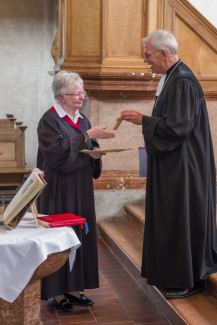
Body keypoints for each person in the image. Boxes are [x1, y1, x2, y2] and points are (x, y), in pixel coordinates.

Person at [121, 29, 217, 299]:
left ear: (163, 54)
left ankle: (189, 279)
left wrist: (144, 121)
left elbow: (179, 128)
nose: (145, 60)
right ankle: (171, 274)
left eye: (148, 55)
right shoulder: (171, 77)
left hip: (184, 168)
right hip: (174, 163)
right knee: (172, 220)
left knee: (181, 220)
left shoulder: (183, 81)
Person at [37, 70, 115, 311]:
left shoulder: (82, 120)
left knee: (80, 234)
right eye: (77, 94)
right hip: (59, 189)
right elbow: (57, 154)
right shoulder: (49, 120)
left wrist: (95, 153)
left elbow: (87, 145)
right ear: (62, 97)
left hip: (81, 186)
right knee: (60, 238)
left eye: (83, 93)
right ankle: (57, 292)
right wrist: (87, 136)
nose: (82, 97)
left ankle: (74, 288)